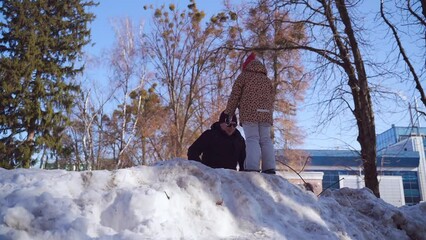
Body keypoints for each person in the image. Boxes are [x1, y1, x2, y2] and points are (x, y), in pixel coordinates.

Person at [223, 53, 276, 174]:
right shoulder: (267, 80)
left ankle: (252, 167)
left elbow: (235, 96)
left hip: (250, 112)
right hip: (266, 114)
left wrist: (228, 112)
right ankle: (269, 168)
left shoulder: (244, 77)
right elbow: (271, 98)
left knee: (252, 138)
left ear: (246, 66)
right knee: (266, 140)